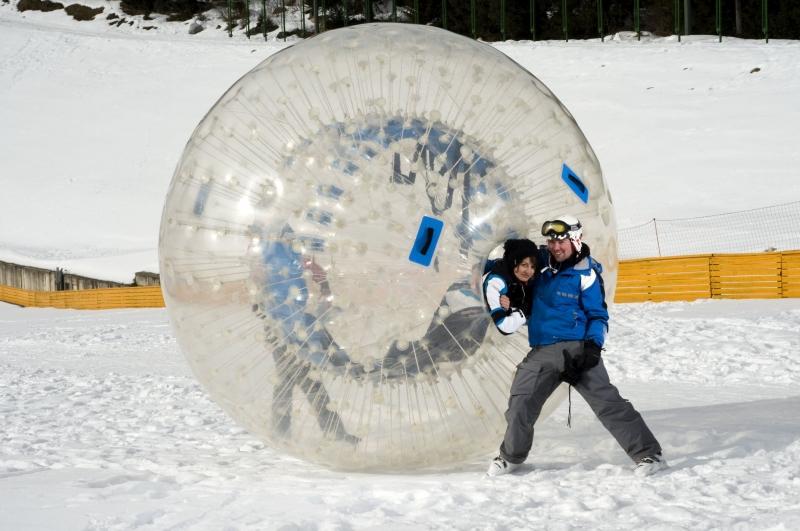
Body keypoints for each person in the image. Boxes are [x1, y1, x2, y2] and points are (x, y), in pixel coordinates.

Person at [486, 215, 666, 477]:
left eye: (561, 241)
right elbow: (509, 261)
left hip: (579, 351)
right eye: (551, 241)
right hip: (543, 349)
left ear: (576, 240)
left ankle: (649, 454)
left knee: (608, 403)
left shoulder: (587, 274)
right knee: (520, 402)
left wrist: (592, 349)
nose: (555, 247)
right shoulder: (540, 263)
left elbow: (598, 316)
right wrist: (501, 291)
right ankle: (511, 456)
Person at [481, 238, 538, 337]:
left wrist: (510, 308)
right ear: (513, 262)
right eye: (524, 265)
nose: (529, 271)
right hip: (462, 319)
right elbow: (505, 326)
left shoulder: (516, 277)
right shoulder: (496, 282)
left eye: (532, 267)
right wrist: (524, 310)